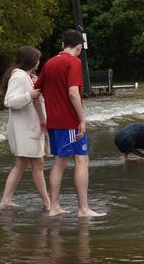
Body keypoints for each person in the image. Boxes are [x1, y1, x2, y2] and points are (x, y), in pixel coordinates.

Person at [34, 29, 105, 217]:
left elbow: (35, 93)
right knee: (82, 160)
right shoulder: (73, 62)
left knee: (59, 163)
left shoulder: (49, 63)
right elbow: (73, 93)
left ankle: (54, 206)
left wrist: (42, 117)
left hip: (54, 122)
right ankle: (83, 209)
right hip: (69, 122)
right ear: (79, 47)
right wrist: (82, 119)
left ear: (62, 45)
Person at [0, 46, 50, 211]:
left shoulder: (25, 76)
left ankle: (6, 200)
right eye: (38, 59)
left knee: (21, 163)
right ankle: (48, 203)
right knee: (38, 164)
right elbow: (9, 101)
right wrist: (30, 95)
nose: (39, 62)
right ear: (32, 61)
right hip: (25, 129)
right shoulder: (19, 77)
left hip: (26, 127)